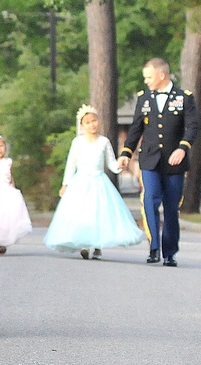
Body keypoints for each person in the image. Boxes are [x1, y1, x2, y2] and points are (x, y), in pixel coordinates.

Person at [118, 58, 200, 267]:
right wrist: (126, 152)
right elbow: (136, 128)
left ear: (161, 75)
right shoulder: (143, 99)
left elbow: (192, 127)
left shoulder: (184, 98)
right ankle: (154, 247)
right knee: (150, 201)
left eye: (149, 77)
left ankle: (169, 252)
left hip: (174, 162)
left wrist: (183, 148)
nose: (146, 81)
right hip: (150, 160)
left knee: (172, 207)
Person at [44, 104, 144, 259]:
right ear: (82, 125)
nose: (92, 125)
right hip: (81, 182)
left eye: (94, 121)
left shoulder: (104, 142)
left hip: (99, 181)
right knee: (83, 213)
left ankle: (98, 246)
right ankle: (84, 244)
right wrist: (66, 184)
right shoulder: (77, 142)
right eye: (88, 122)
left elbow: (110, 163)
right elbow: (72, 164)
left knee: (99, 213)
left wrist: (119, 165)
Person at [0, 134, 32, 253]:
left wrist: (13, 188)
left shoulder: (8, 162)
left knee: (7, 218)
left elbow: (10, 176)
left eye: (1, 146)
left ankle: (3, 241)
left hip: (7, 192)